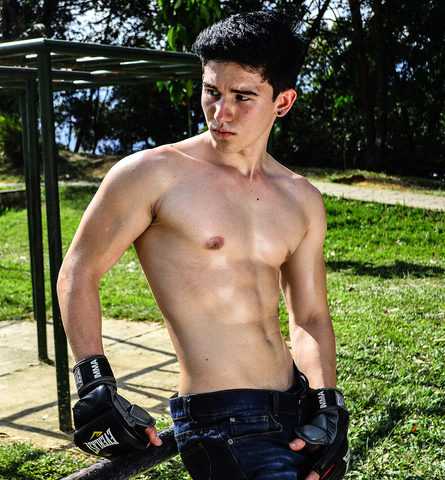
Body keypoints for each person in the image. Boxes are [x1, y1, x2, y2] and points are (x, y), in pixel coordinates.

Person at [58, 10, 349, 480]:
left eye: (242, 96)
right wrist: (94, 382)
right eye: (212, 91)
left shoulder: (301, 198)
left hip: (298, 408)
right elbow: (79, 269)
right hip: (224, 418)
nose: (220, 112)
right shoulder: (153, 175)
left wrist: (327, 403)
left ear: (283, 101)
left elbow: (310, 316)